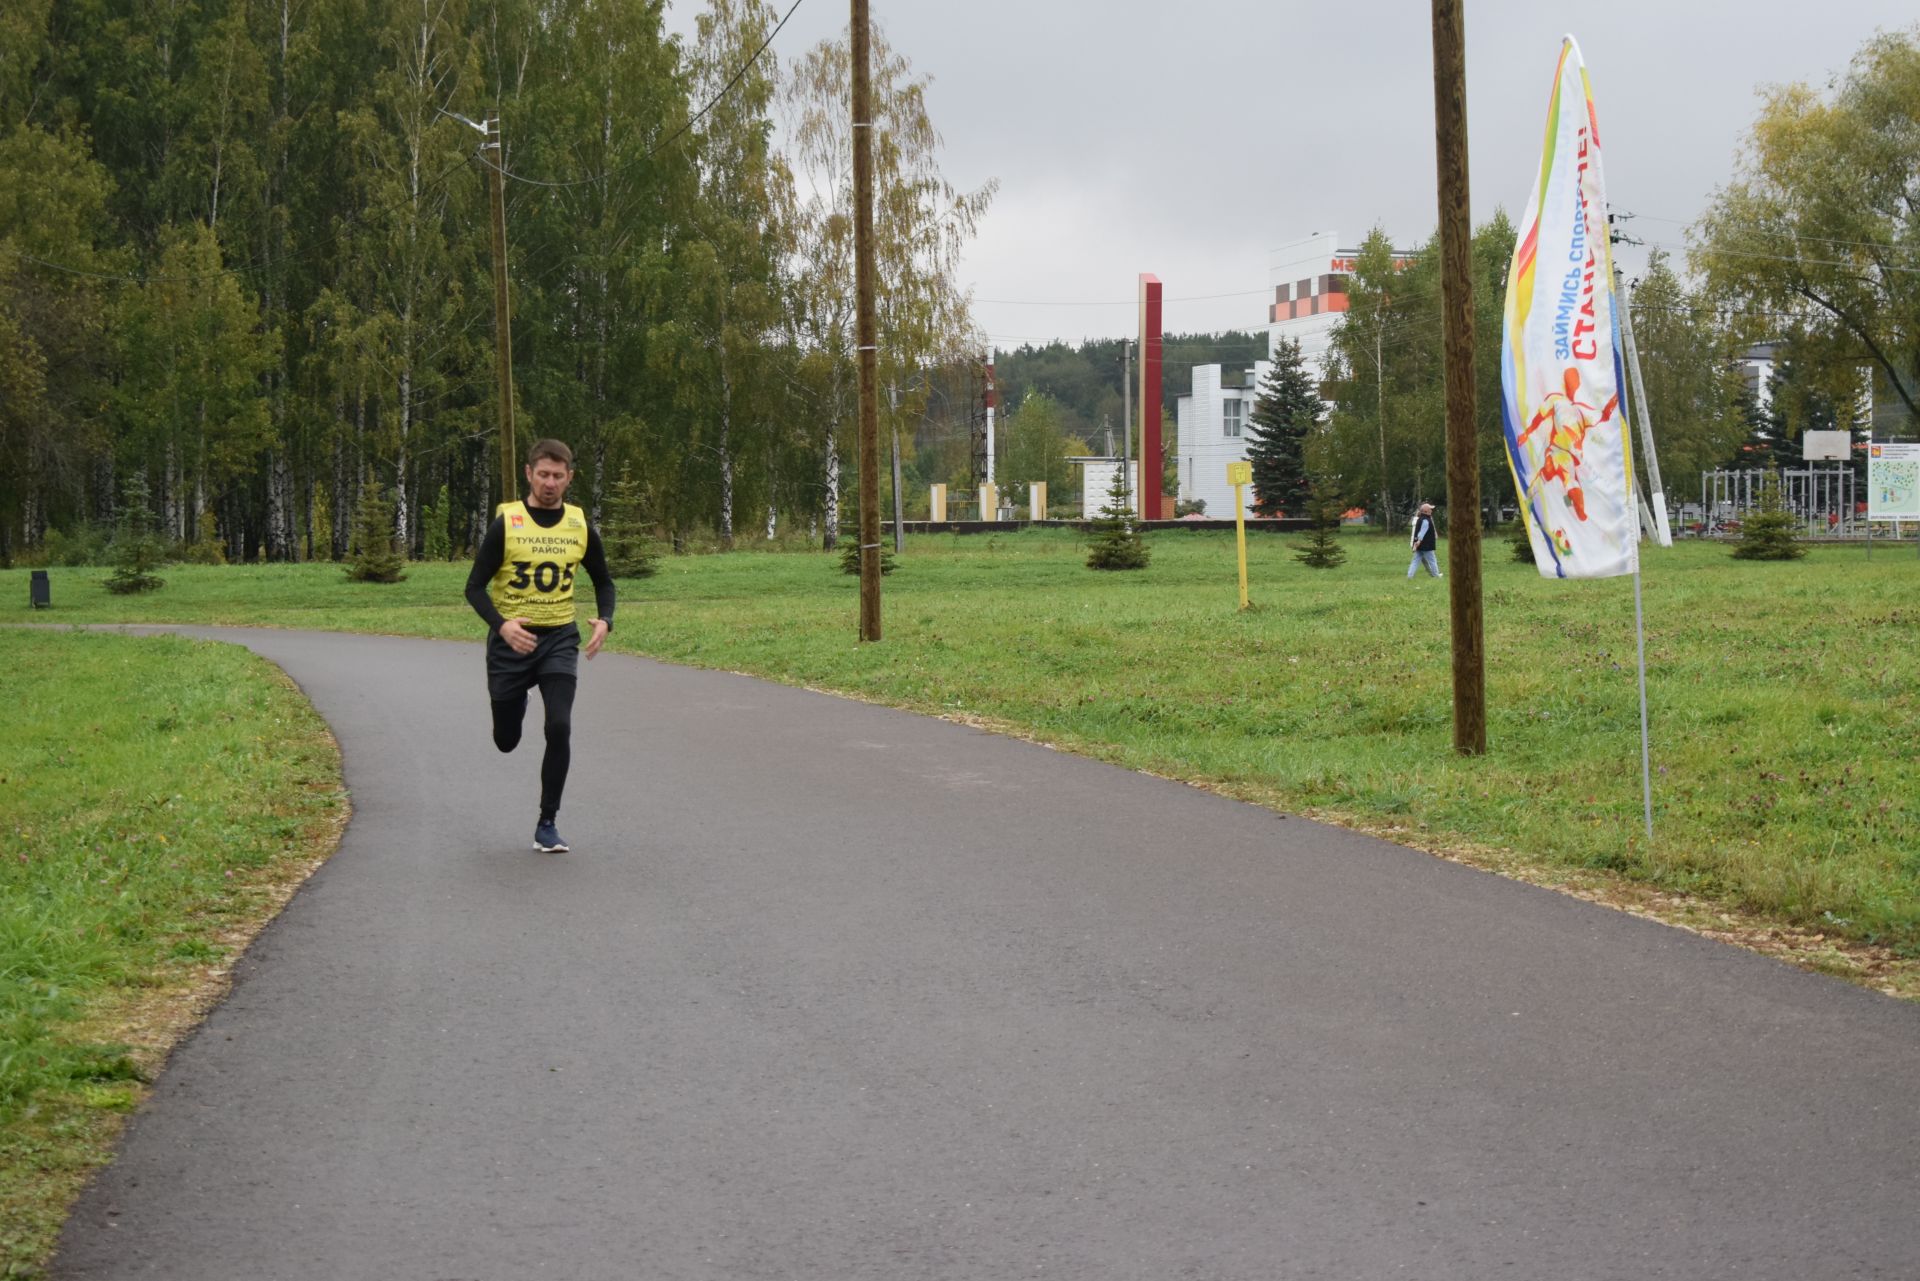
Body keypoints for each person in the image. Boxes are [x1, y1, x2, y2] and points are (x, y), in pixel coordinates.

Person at [464, 439, 616, 853]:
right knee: (506, 740)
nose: (550, 483)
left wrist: (605, 620)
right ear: (529, 474)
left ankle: (547, 822)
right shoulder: (507, 523)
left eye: (558, 475)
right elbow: (474, 587)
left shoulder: (579, 524)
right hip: (511, 643)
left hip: (559, 640)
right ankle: (518, 702)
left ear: (569, 478)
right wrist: (502, 625)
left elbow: (603, 580)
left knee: (560, 726)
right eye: (543, 474)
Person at [1407, 501, 1441, 579]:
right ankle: (1436, 576)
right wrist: (1418, 541)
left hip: (1420, 545)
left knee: (1415, 561)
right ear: (1426, 511)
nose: (1431, 510)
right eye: (1430, 509)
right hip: (1426, 545)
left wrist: (1416, 543)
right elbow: (1422, 533)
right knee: (1432, 561)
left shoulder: (1420, 519)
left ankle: (1409, 576)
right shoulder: (1426, 520)